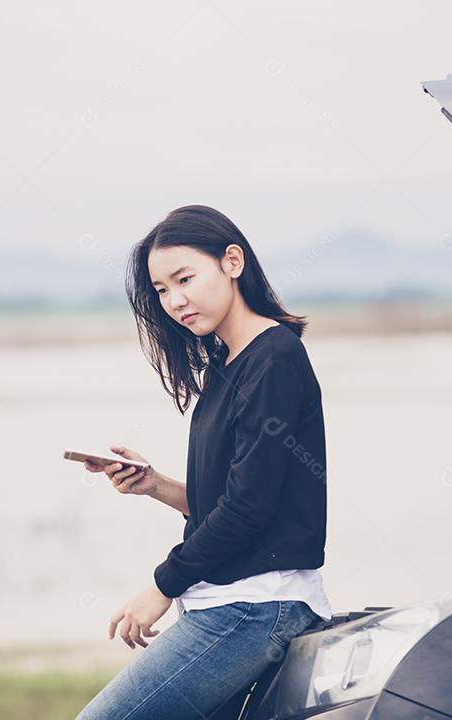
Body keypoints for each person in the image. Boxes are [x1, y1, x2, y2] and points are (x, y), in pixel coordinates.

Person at [76, 205, 331, 720]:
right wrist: (156, 485)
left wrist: (161, 586)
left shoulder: (274, 358)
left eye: (184, 278)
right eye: (162, 290)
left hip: (256, 605)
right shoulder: (224, 367)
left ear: (232, 262)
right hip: (230, 601)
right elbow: (234, 500)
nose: (175, 301)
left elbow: (248, 510)